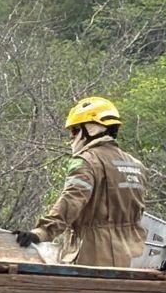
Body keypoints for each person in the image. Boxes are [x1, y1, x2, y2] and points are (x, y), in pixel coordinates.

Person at [16, 97, 147, 268]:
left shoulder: (87, 161)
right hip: (134, 259)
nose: (72, 137)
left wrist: (42, 231)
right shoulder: (136, 165)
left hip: (94, 256)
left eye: (75, 130)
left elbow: (72, 199)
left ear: (91, 128)